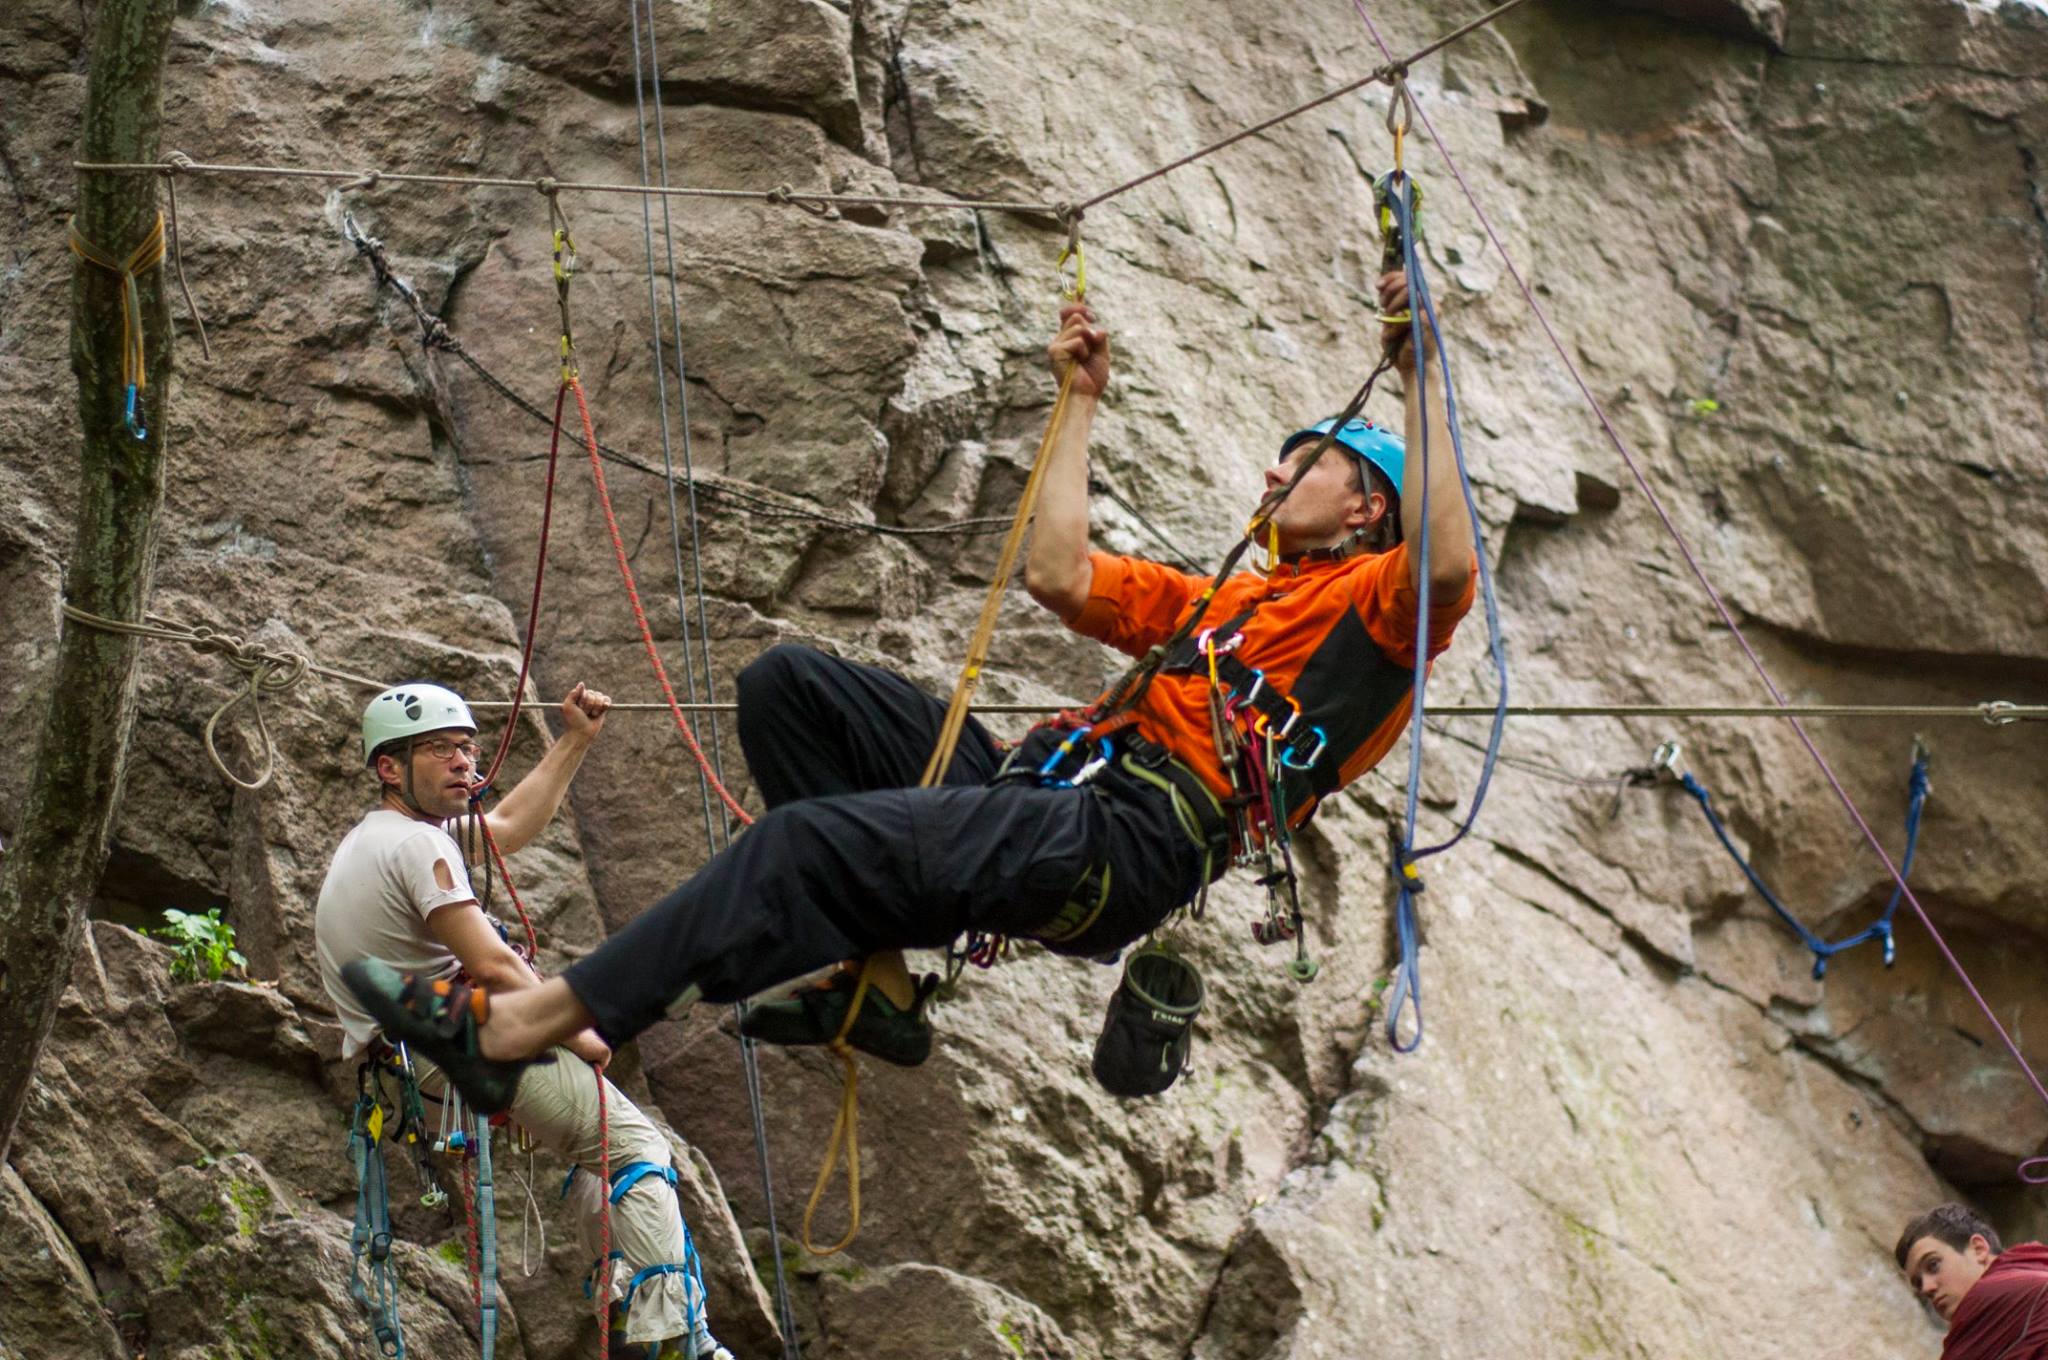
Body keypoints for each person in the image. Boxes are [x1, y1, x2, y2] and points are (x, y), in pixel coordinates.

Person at [341, 267, 1478, 1112]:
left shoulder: (1375, 611)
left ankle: (515, 1028)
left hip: (1121, 837)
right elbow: (1058, 574)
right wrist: (1077, 401)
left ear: (1369, 502)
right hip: (1051, 792)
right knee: (790, 688)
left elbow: (1446, 566)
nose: (1273, 472)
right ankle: (874, 976)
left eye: (1306, 462)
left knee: (802, 851)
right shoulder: (1221, 601)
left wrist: (1421, 377)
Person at [314, 681, 731, 1360]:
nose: (462, 761)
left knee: (603, 1158)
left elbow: (508, 828)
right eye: (439, 749)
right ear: (389, 768)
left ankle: (624, 1305)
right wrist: (579, 1032)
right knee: (638, 1149)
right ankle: (683, 1341)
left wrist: (574, 740)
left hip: (410, 1065)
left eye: (466, 747)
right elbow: (499, 966)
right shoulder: (419, 848)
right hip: (457, 1044)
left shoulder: (386, 838)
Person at [1897, 1202, 2048, 1357]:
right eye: (1918, 1283)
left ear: (1978, 1249)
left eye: (1933, 1265)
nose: (1926, 1288)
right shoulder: (2036, 1271)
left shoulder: (1995, 1296)